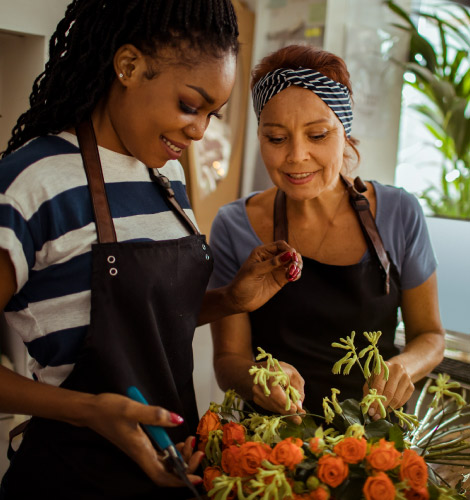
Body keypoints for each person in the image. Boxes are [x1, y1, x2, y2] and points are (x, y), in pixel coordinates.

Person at [0, 2, 302, 498]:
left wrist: (230, 300)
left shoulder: (166, 178)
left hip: (168, 471)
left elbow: (142, 320)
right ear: (129, 66)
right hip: (68, 477)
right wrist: (89, 409)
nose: (200, 130)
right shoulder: (34, 183)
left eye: (212, 114)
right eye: (190, 105)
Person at [209, 44, 445, 425]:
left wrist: (404, 366)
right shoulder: (234, 225)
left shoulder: (401, 213)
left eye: (317, 135)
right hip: (271, 446)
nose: (296, 156)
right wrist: (257, 379)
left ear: (344, 132)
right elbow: (227, 361)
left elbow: (430, 336)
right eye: (276, 138)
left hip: (372, 447)